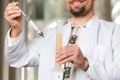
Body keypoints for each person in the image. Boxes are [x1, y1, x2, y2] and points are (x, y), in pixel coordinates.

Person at [4, 0, 120, 80]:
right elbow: (16, 58)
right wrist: (16, 28)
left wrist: (85, 63)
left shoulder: (114, 31)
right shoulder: (50, 35)